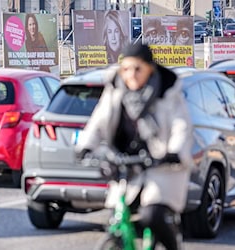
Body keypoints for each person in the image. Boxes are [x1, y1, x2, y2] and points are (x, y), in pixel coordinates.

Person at [75, 43, 193, 250]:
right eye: (126, 69)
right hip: (127, 163)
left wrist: (174, 152)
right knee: (118, 216)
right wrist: (85, 147)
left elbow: (181, 126)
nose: (132, 75)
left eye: (138, 69)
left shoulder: (166, 91)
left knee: (152, 215)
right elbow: (98, 122)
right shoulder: (115, 90)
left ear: (150, 68)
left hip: (160, 165)